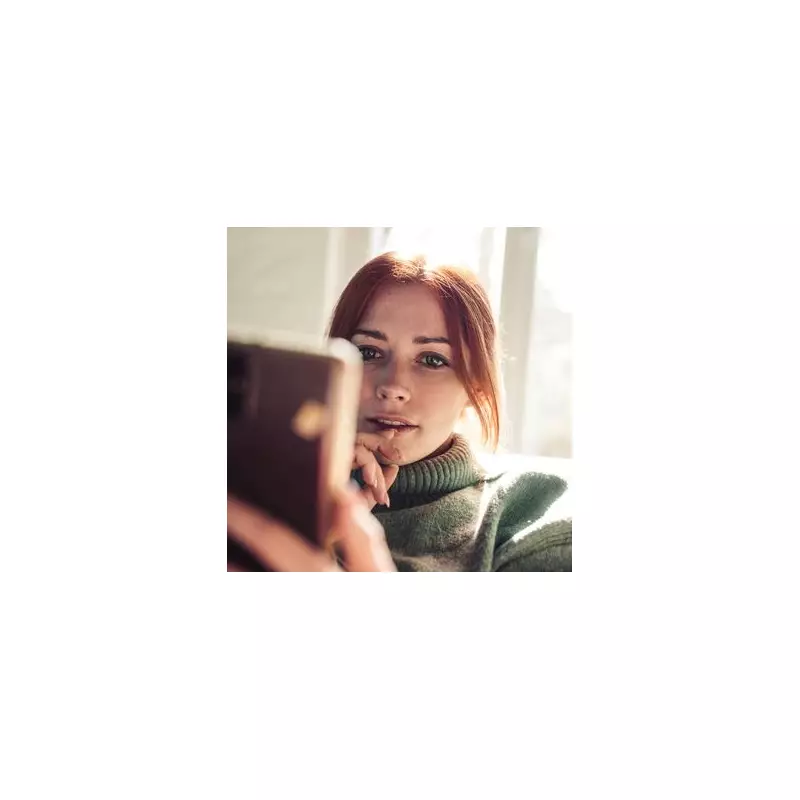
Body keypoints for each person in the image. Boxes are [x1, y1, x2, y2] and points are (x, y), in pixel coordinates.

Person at [227, 252, 571, 572]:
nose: (393, 386)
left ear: (476, 388)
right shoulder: (254, 491)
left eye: (432, 360)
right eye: (369, 353)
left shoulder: (536, 516)